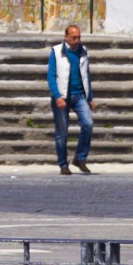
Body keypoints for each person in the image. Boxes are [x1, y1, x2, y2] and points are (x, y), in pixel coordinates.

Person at [50, 24, 95, 174]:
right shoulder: (56, 52)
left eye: (78, 37)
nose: (77, 40)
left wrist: (90, 97)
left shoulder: (83, 51)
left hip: (79, 95)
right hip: (62, 96)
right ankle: (63, 164)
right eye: (73, 37)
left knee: (88, 124)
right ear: (66, 37)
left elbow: (86, 75)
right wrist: (57, 96)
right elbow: (51, 76)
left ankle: (80, 157)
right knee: (62, 132)